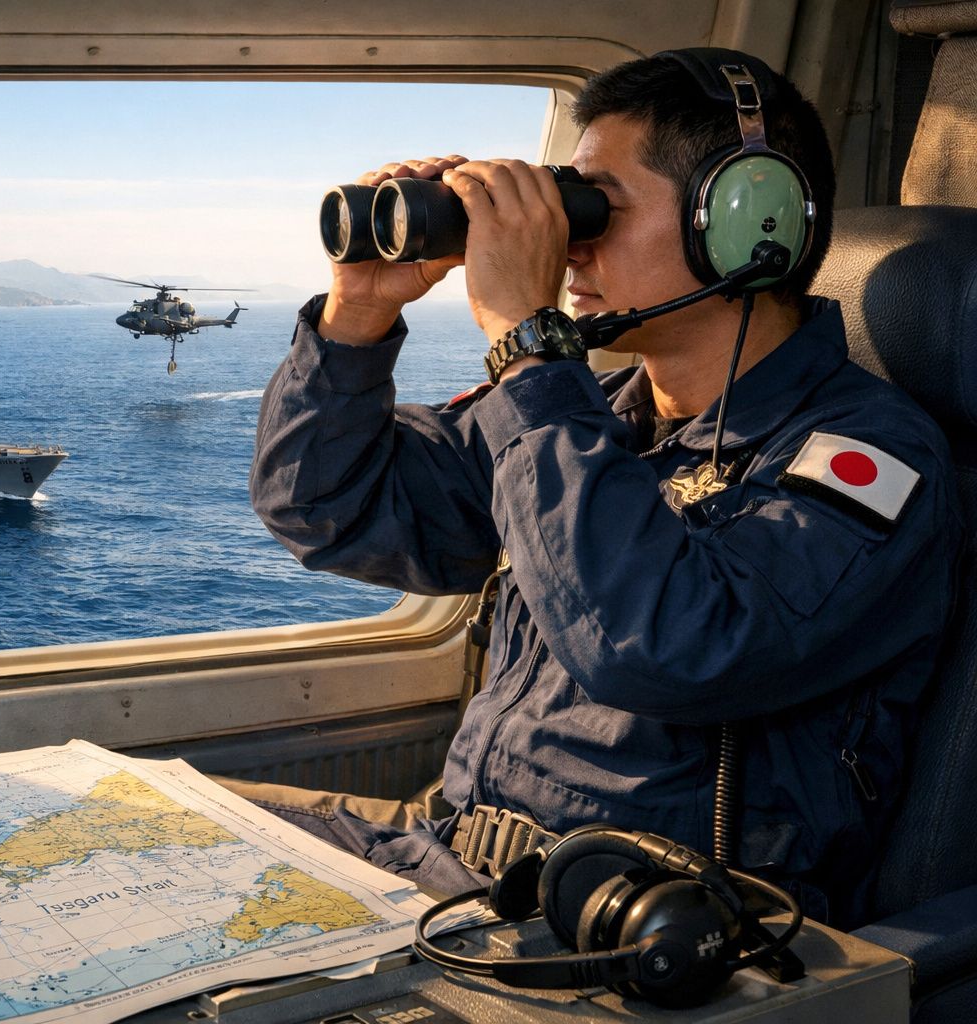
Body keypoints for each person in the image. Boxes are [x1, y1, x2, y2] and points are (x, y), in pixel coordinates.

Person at [238, 49, 961, 928]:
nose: (565, 243)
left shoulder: (872, 460)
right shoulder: (602, 418)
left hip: (640, 924)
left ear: (744, 224)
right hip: (456, 858)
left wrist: (526, 340)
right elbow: (323, 509)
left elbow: (657, 645)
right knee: (149, 824)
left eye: (594, 210)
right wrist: (359, 314)